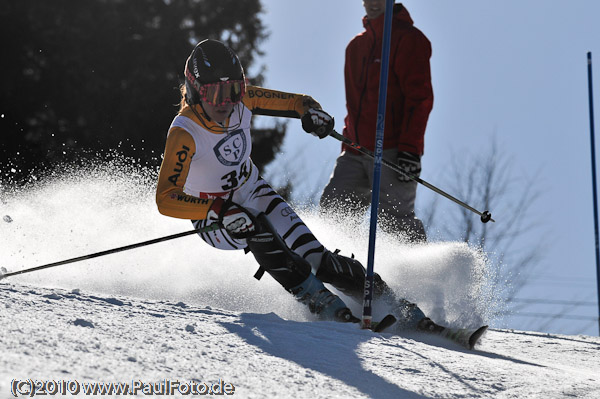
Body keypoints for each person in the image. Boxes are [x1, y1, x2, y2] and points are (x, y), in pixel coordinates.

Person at [155, 38, 434, 330]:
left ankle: (391, 302)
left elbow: (297, 102)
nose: (226, 103)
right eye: (215, 94)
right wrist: (218, 209)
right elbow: (165, 199)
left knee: (318, 259)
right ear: (197, 91)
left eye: (234, 90)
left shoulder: (245, 101)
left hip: (254, 192)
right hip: (211, 216)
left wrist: (311, 114)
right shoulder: (184, 132)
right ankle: (322, 303)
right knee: (252, 225)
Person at [320, 1, 433, 242]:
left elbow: (420, 99)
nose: (372, 3)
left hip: (392, 149)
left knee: (394, 221)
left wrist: (410, 150)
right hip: (355, 149)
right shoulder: (356, 47)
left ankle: (419, 276)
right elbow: (353, 103)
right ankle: (334, 270)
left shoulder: (408, 39)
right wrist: (347, 142)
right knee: (333, 212)